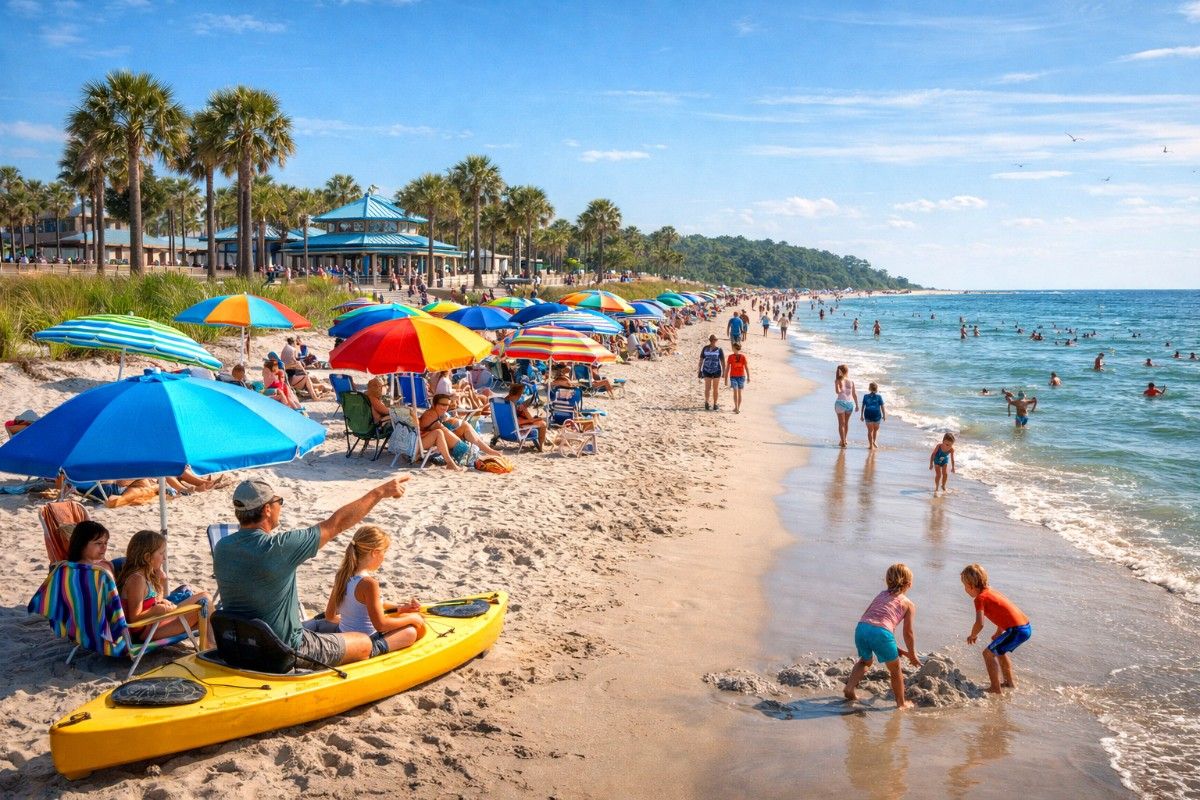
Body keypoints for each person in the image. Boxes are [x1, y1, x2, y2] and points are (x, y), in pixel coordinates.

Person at [213, 477, 411, 667]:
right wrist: (380, 492)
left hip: (238, 646)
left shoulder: (222, 548)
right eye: (279, 501)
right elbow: (337, 523)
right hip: (284, 652)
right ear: (267, 510)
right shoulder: (280, 547)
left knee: (321, 618)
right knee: (363, 642)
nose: (280, 506)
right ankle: (377, 648)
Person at [323, 526, 426, 656]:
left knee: (403, 619)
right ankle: (375, 649)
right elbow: (381, 625)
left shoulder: (342, 575)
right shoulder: (369, 583)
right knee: (410, 632)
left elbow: (330, 616)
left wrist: (399, 607)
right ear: (375, 552)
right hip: (365, 642)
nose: (384, 558)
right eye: (384, 552)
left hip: (344, 636)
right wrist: (412, 618)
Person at [843, 563, 920, 710]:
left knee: (865, 661)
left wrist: (895, 647)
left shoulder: (880, 595)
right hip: (882, 633)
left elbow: (869, 617)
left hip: (862, 628)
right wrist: (912, 654)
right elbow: (908, 632)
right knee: (895, 670)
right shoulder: (908, 604)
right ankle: (901, 703)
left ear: (887, 581)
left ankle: (850, 688)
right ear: (909, 584)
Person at [117, 530, 211, 640]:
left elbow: (156, 601)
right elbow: (134, 619)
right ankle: (212, 645)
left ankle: (211, 644)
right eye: (161, 553)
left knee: (204, 604)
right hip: (145, 632)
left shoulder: (145, 576)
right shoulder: (137, 580)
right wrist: (156, 610)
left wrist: (161, 581)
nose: (164, 558)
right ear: (147, 557)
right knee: (204, 601)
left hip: (154, 625)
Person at [961, 563, 1031, 694]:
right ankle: (1009, 683)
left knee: (988, 654)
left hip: (1016, 630)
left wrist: (973, 635)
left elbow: (980, 623)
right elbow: (1005, 611)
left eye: (965, 586)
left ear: (970, 586)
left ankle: (995, 688)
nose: (965, 589)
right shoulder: (992, 592)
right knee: (999, 651)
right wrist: (999, 632)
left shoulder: (980, 599)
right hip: (1024, 627)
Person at [418, 393, 504, 459]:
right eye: (442, 404)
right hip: (426, 440)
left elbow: (443, 426)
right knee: (462, 436)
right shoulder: (431, 415)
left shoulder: (436, 413)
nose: (445, 407)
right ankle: (487, 451)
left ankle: (490, 451)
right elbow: (443, 430)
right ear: (434, 404)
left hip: (436, 436)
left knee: (465, 426)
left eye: (447, 405)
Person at [500, 383, 546, 450]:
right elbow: (518, 422)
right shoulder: (512, 405)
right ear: (518, 394)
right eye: (521, 393)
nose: (521, 395)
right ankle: (541, 447)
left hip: (503, 430)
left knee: (535, 419)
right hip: (514, 432)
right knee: (543, 423)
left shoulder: (503, 402)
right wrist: (527, 413)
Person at [698, 334, 725, 411]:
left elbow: (723, 361)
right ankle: (707, 402)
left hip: (717, 371)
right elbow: (701, 360)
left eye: (715, 340)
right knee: (708, 388)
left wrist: (724, 371)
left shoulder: (719, 349)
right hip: (706, 370)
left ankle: (715, 404)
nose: (714, 341)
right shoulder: (705, 348)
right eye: (713, 340)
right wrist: (699, 370)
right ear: (711, 340)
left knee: (715, 388)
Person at [834, 364, 857, 448]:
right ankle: (844, 439)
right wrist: (857, 405)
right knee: (846, 423)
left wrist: (837, 383)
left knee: (841, 424)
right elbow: (854, 394)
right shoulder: (851, 381)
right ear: (847, 371)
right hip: (850, 403)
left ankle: (843, 441)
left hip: (840, 403)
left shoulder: (838, 380)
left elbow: (838, 392)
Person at [724, 342, 749, 414]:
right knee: (735, 391)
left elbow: (746, 367)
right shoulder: (730, 357)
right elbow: (727, 368)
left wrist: (748, 377)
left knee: (739, 392)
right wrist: (726, 379)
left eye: (732, 347)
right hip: (733, 377)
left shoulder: (743, 357)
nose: (732, 349)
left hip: (741, 377)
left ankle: (738, 407)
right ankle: (736, 407)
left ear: (735, 348)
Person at [861, 381, 885, 449]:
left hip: (868, 414)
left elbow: (863, 406)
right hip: (877, 415)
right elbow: (882, 406)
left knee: (870, 431)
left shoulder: (866, 396)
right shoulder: (879, 397)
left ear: (869, 388)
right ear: (876, 389)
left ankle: (871, 444)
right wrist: (884, 415)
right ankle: (873, 442)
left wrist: (861, 415)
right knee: (875, 430)